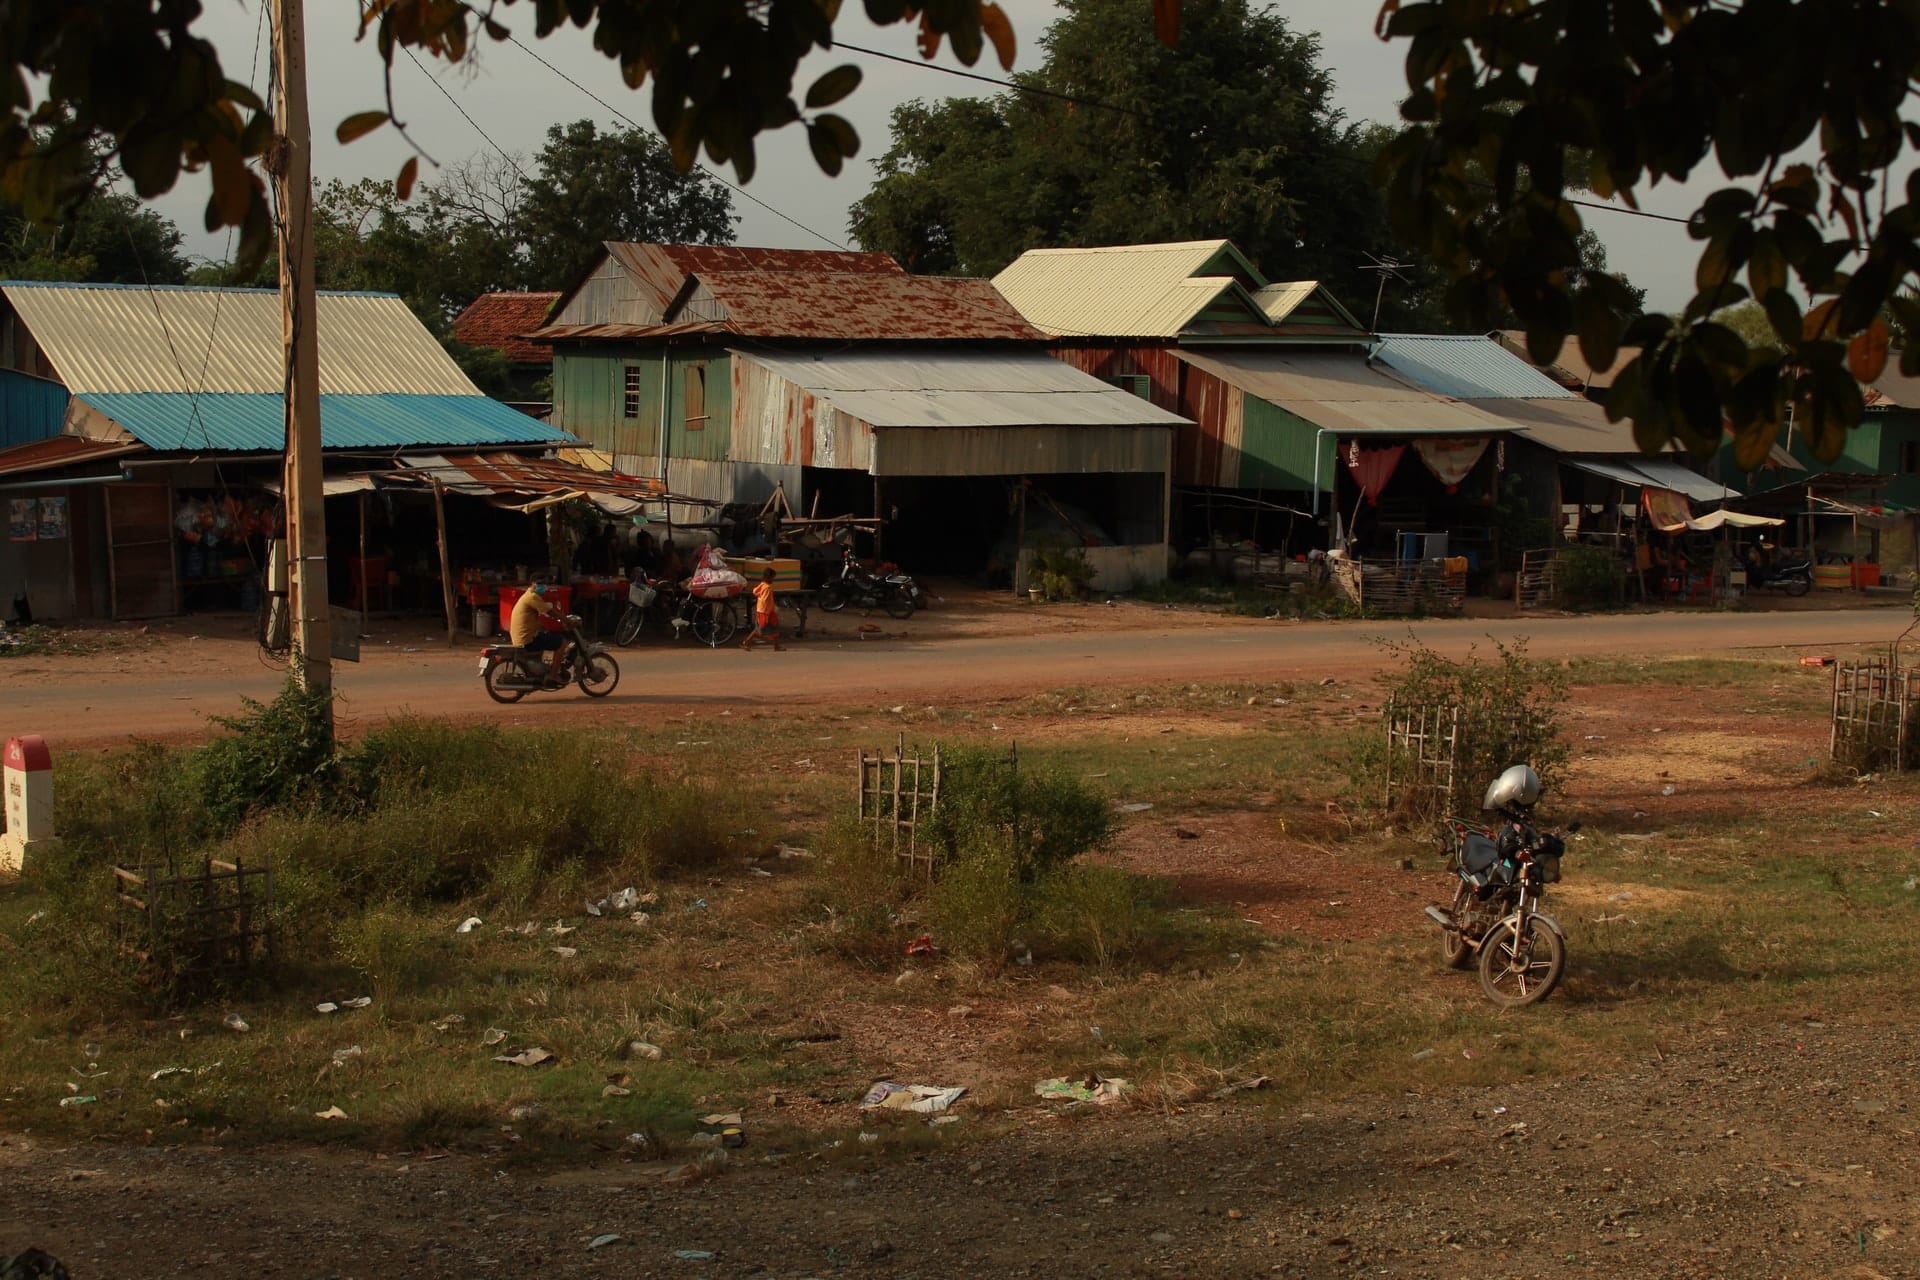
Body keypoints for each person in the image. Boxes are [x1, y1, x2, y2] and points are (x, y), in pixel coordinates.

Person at [511, 579, 569, 685]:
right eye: (540, 584)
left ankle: (540, 673)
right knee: (562, 642)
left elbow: (535, 619)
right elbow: (550, 612)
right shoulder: (532, 597)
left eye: (544, 584)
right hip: (526, 639)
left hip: (524, 636)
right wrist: (567, 620)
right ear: (533, 584)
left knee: (547, 636)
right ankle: (553, 676)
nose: (543, 587)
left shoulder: (528, 596)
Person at [742, 566, 783, 652]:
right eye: (772, 578)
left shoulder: (762, 584)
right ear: (768, 578)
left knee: (774, 627)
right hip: (765, 611)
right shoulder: (768, 588)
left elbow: (755, 591)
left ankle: (777, 646)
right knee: (759, 630)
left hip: (762, 610)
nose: (773, 580)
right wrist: (767, 614)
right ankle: (746, 642)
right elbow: (765, 601)